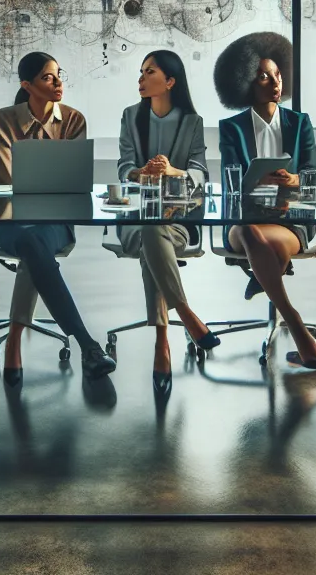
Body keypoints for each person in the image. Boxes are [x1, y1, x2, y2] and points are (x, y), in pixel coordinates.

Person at [0, 52, 116, 383]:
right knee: (33, 244)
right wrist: (45, 182)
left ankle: (15, 340)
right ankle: (87, 345)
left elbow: (70, 183)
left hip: (55, 223)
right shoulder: (3, 119)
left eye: (59, 74)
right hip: (8, 221)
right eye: (48, 77)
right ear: (27, 86)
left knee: (35, 246)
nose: (58, 82)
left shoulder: (74, 120)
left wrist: (40, 183)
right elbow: (8, 178)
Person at [215, 32, 316, 367]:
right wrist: (255, 181)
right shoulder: (231, 128)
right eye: (263, 76)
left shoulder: (300, 123)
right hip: (247, 215)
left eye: (277, 76)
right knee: (248, 233)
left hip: (289, 217)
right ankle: (294, 321)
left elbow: (313, 174)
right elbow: (230, 180)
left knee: (260, 242)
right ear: (246, 80)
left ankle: (259, 278)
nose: (274, 83)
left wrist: (294, 180)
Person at [115, 50, 218, 398]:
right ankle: (186, 315)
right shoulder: (131, 116)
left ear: (170, 81)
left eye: (149, 72)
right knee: (147, 230)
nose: (141, 79)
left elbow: (201, 172)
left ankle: (163, 341)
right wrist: (139, 172)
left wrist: (172, 171)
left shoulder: (192, 121)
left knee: (152, 235)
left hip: (178, 219)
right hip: (135, 218)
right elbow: (122, 165)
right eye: (141, 72)